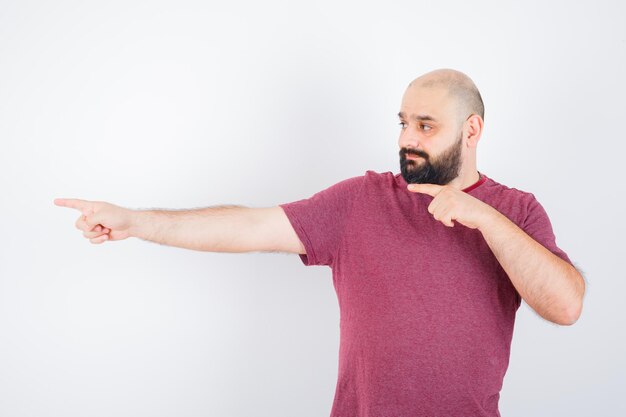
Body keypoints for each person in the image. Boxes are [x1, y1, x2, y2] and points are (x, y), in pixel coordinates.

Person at [54, 68, 585, 417]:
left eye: (426, 125)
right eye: (403, 123)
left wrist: (483, 219)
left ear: (472, 131)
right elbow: (251, 227)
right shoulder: (361, 201)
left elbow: (566, 305)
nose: (407, 138)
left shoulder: (516, 211)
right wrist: (138, 222)